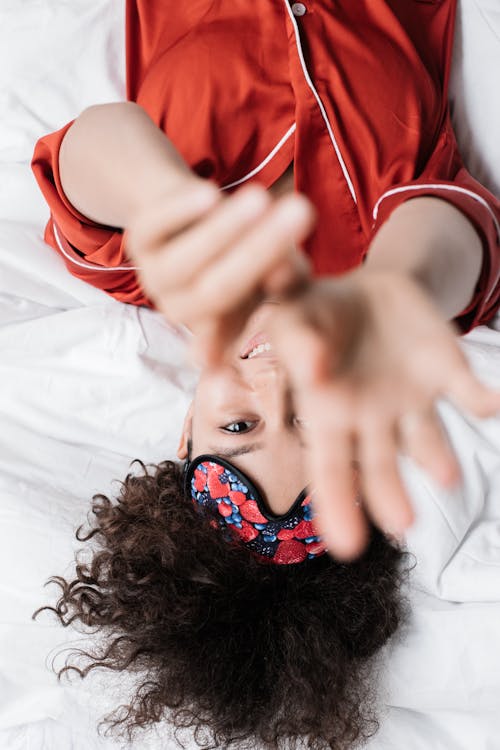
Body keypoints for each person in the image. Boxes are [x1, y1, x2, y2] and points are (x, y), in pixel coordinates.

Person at [31, 1, 500, 747]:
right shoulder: (396, 305)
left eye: (239, 426)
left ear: (187, 429)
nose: (275, 387)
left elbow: (84, 149)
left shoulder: (155, 273)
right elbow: (455, 227)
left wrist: (166, 205)